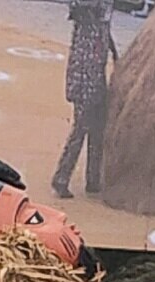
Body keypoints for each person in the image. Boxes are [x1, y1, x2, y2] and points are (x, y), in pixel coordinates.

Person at [51, 0, 115, 199]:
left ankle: (93, 179)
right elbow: (78, 9)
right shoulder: (85, 8)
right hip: (84, 72)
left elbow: (104, 28)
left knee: (98, 129)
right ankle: (61, 178)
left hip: (96, 71)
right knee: (81, 128)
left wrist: (113, 51)